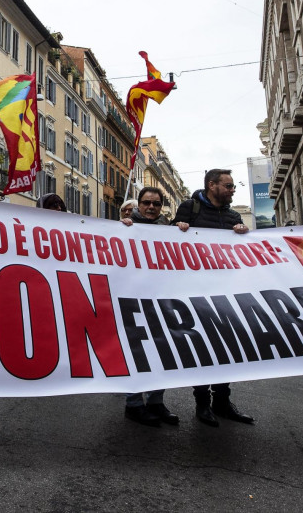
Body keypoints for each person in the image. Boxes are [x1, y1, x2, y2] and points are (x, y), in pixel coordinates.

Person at [171, 169, 254, 427]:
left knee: (225, 349)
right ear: (212, 185)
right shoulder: (190, 208)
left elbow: (240, 252)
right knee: (202, 350)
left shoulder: (233, 215)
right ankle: (202, 404)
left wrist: (243, 232)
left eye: (232, 187)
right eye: (228, 186)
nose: (232, 190)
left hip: (224, 293)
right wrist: (178, 228)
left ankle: (222, 401)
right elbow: (167, 241)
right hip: (194, 294)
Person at [120, 187, 180, 427]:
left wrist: (183, 232)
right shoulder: (124, 227)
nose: (151, 207)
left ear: (161, 205)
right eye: (146, 203)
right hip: (133, 300)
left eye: (156, 203)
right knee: (137, 354)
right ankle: (133, 404)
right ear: (138, 205)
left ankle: (156, 401)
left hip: (162, 300)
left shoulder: (171, 230)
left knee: (163, 353)